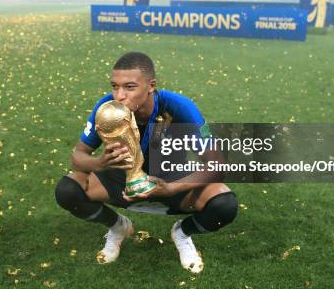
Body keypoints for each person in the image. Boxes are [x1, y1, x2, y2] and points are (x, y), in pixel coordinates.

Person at [54, 51, 238, 273]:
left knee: (224, 204)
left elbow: (217, 165)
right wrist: (100, 163)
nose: (119, 95)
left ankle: (182, 233)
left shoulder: (179, 107)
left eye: (130, 87)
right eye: (115, 86)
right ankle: (118, 227)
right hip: (120, 183)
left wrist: (170, 189)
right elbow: (78, 157)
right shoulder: (107, 108)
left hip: (170, 182)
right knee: (68, 189)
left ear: (150, 86)